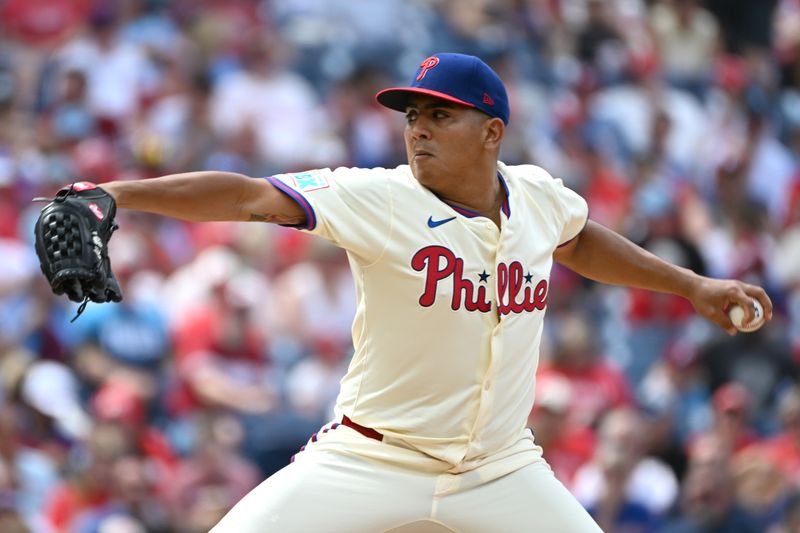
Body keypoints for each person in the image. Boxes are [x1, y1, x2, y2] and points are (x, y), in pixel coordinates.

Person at [54, 53, 772, 532]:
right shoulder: (380, 197)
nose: (418, 130)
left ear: (492, 131)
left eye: (440, 115)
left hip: (500, 465)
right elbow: (248, 197)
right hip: (373, 455)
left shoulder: (540, 196)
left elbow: (579, 238)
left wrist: (691, 284)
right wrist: (113, 194)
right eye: (412, 116)